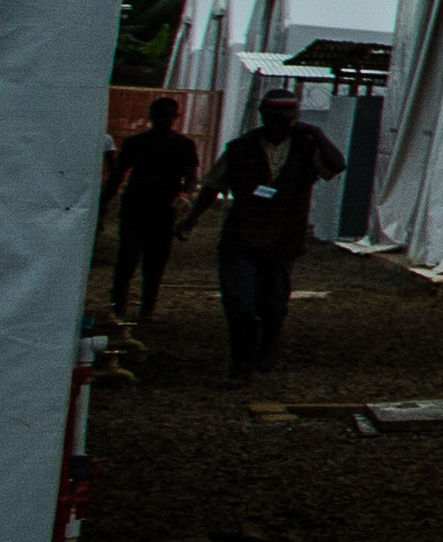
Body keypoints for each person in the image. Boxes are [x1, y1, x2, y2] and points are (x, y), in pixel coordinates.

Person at [195, 86, 344, 380]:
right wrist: (191, 219)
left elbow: (337, 165)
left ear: (294, 118)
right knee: (238, 304)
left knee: (273, 306)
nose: (277, 125)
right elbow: (212, 185)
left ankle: (270, 340)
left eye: (284, 119)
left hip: (283, 239)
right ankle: (241, 364)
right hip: (241, 237)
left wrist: (317, 134)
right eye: (272, 118)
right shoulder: (240, 148)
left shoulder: (306, 149)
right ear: (262, 116)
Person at [101, 110, 201, 322]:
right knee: (146, 260)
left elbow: (118, 175)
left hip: (143, 206)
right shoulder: (182, 144)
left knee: (139, 259)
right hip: (156, 207)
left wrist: (104, 200)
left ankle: (123, 307)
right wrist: (185, 193)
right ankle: (139, 308)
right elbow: (191, 177)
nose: (163, 121)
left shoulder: (137, 142)